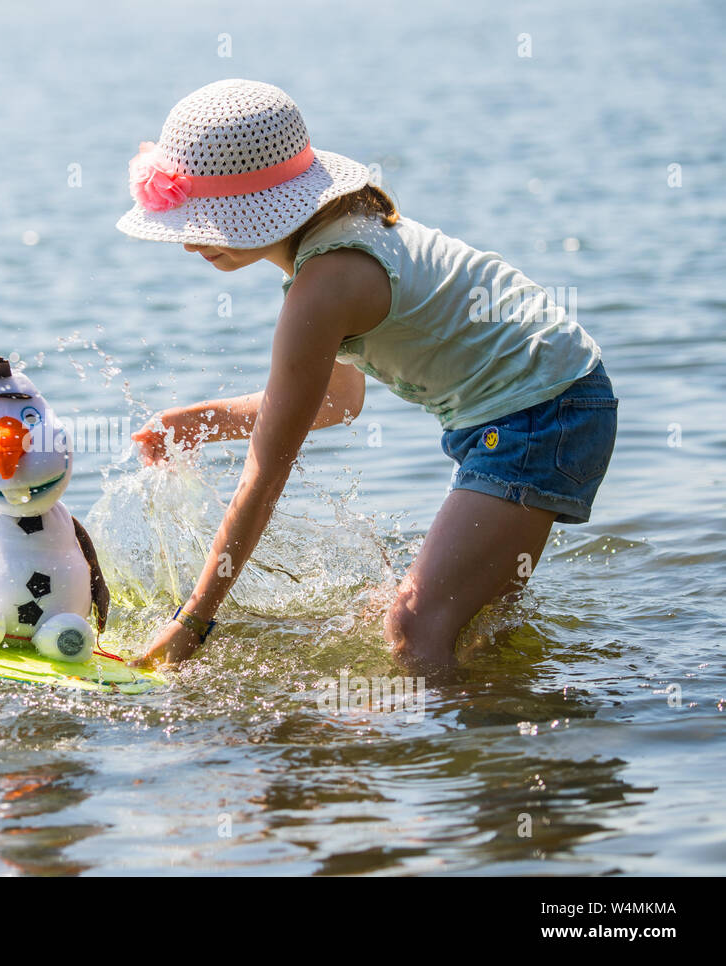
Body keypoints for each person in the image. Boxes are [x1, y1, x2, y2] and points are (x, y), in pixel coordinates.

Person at [116, 79, 617, 671]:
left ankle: (442, 756)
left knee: (410, 630)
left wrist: (192, 622)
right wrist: (196, 423)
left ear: (260, 211)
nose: (188, 242)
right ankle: (505, 735)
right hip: (552, 399)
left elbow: (265, 474)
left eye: (205, 219)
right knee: (467, 629)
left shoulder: (324, 285)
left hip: (538, 414)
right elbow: (339, 400)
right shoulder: (340, 236)